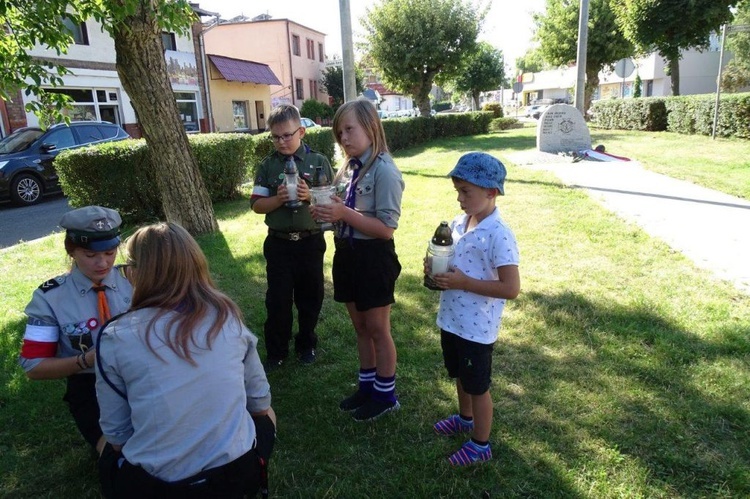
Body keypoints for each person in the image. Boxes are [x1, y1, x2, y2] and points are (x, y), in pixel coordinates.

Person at [96, 222, 275, 498]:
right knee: (268, 417)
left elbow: (118, 436)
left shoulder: (115, 336)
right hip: (235, 476)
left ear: (135, 273)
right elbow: (261, 405)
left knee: (104, 447)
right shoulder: (227, 318)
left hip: (160, 485)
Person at [310, 99, 404, 422]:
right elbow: (343, 212)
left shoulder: (385, 170)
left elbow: (386, 229)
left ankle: (386, 395)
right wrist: (327, 214)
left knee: (378, 328)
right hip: (347, 254)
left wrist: (344, 212)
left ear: (371, 126)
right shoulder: (349, 168)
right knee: (361, 328)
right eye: (339, 133)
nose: (344, 138)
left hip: (373, 258)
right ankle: (367, 386)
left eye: (349, 129)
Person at [427, 152, 520, 466]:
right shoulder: (458, 223)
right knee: (461, 376)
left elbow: (511, 288)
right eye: (457, 191)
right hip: (452, 319)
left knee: (478, 386)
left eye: (466, 192)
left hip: (477, 328)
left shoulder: (499, 235)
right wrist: (437, 266)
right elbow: (454, 261)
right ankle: (464, 419)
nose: (459, 198)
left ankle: (480, 445)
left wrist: (464, 282)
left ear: (490, 192)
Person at [18, 205, 132, 454]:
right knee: (118, 455)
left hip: (142, 374)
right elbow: (34, 366)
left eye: (111, 252)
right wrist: (85, 360)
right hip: (90, 383)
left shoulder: (136, 280)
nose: (103, 263)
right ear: (71, 251)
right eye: (90, 255)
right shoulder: (50, 298)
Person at [250, 104, 334, 371]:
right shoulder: (267, 165)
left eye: (287, 135)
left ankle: (306, 343)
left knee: (311, 297)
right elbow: (256, 205)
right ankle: (276, 350)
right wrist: (278, 199)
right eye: (275, 136)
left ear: (302, 131)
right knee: (278, 300)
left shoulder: (318, 162)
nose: (281, 141)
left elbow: (333, 201)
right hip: (279, 244)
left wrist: (310, 195)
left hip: (310, 241)